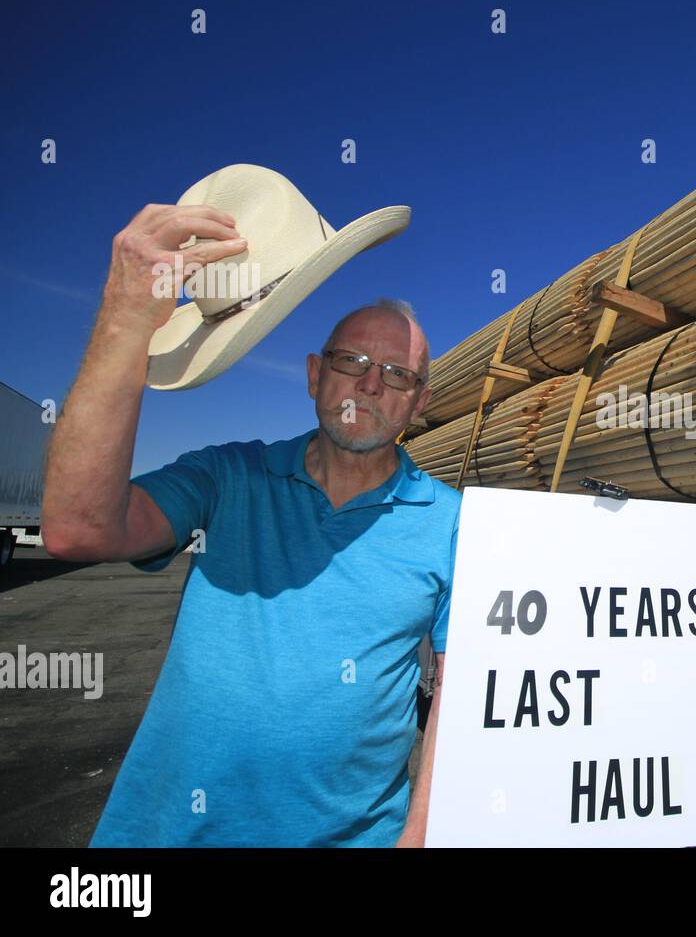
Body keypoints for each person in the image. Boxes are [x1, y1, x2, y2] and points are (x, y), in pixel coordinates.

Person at [42, 202, 458, 846]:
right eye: (350, 362)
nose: (371, 385)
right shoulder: (226, 479)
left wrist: (421, 835)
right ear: (315, 377)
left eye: (398, 374)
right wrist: (126, 314)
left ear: (420, 401)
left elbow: (461, 696)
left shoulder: (452, 523)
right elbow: (78, 528)